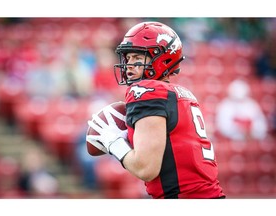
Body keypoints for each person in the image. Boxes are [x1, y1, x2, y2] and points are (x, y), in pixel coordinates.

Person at [87, 21, 225, 199]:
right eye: (128, 58)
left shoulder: (147, 91)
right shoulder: (183, 94)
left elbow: (146, 168)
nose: (129, 65)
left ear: (163, 58)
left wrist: (113, 142)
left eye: (137, 58)